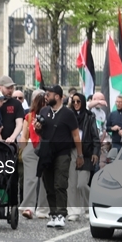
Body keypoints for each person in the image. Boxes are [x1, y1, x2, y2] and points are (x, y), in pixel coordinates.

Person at [34, 85, 83, 229]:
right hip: (47, 153)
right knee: (48, 184)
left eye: (48, 94)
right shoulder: (44, 111)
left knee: (60, 184)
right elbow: (41, 134)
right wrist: (38, 129)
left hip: (62, 152)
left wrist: (80, 155)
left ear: (57, 96)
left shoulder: (68, 114)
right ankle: (54, 213)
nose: (46, 97)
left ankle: (61, 214)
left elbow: (76, 135)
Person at [67, 93, 99, 221]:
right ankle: (74, 211)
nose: (75, 104)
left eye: (78, 101)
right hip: (71, 150)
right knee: (72, 184)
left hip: (86, 152)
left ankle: (89, 206)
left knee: (82, 184)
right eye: (73, 101)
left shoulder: (90, 116)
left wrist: (95, 152)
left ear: (83, 102)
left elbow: (95, 136)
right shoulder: (69, 116)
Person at [20, 90, 50, 219]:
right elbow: (24, 136)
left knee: (38, 180)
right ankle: (34, 209)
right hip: (35, 147)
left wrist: (23, 150)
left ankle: (36, 209)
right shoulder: (31, 116)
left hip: (39, 148)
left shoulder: (32, 116)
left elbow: (24, 137)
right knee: (36, 180)